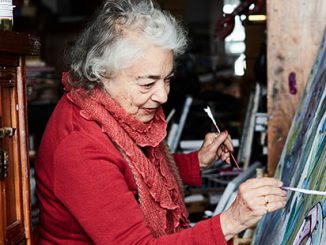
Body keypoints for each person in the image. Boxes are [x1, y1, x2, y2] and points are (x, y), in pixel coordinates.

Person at [35, 0, 287, 244]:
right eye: (147, 83)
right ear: (102, 74)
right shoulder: (80, 145)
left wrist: (196, 162)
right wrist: (232, 221)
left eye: (167, 79)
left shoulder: (113, 109)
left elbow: (132, 174)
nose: (163, 95)